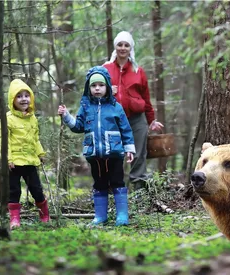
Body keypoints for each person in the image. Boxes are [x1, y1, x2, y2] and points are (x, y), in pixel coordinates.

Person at [57, 66, 135, 226]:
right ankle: (100, 216)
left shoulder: (116, 107)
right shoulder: (85, 107)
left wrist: (129, 149)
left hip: (114, 154)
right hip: (94, 155)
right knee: (99, 183)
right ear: (89, 88)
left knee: (117, 182)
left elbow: (126, 129)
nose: (97, 88)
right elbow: (78, 126)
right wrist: (66, 116)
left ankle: (122, 215)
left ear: (107, 86)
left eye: (101, 85)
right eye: (93, 85)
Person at [103, 31, 164, 190]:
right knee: (114, 154)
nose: (123, 48)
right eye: (120, 45)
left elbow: (146, 97)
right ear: (115, 47)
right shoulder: (105, 69)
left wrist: (151, 120)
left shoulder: (138, 71)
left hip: (136, 119)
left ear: (131, 48)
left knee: (138, 155)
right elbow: (94, 92)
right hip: (113, 119)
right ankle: (113, 190)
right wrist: (109, 91)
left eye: (126, 45)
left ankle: (139, 192)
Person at [0, 79, 50, 229]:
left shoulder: (32, 118)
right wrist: (8, 159)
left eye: (26, 95)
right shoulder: (7, 119)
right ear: (12, 99)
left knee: (36, 189)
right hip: (14, 162)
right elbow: (4, 141)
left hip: (30, 161)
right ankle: (14, 219)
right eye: (19, 96)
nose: (23, 99)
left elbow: (35, 138)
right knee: (14, 191)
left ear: (31, 98)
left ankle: (44, 214)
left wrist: (40, 153)